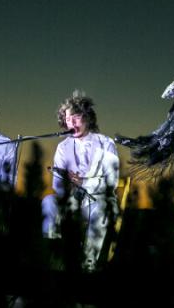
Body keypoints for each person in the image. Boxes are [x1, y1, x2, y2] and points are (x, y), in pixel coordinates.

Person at [42, 91, 120, 272]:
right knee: (48, 202)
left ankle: (87, 266)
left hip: (96, 199)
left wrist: (84, 182)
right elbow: (57, 185)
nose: (72, 123)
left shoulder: (106, 143)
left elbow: (111, 183)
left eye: (76, 118)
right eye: (68, 119)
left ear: (87, 118)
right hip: (71, 199)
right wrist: (65, 183)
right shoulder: (63, 147)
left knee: (101, 210)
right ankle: (54, 256)